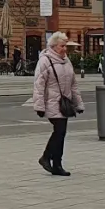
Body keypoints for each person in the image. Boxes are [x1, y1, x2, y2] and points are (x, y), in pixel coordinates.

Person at [30, 32, 84, 176]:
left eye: (65, 45)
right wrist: (39, 106)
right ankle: (46, 157)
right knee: (59, 131)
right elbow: (39, 86)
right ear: (53, 46)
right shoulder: (45, 61)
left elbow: (73, 84)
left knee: (61, 133)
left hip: (64, 104)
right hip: (51, 102)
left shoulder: (66, 61)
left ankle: (57, 164)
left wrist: (78, 104)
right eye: (62, 46)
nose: (65, 48)